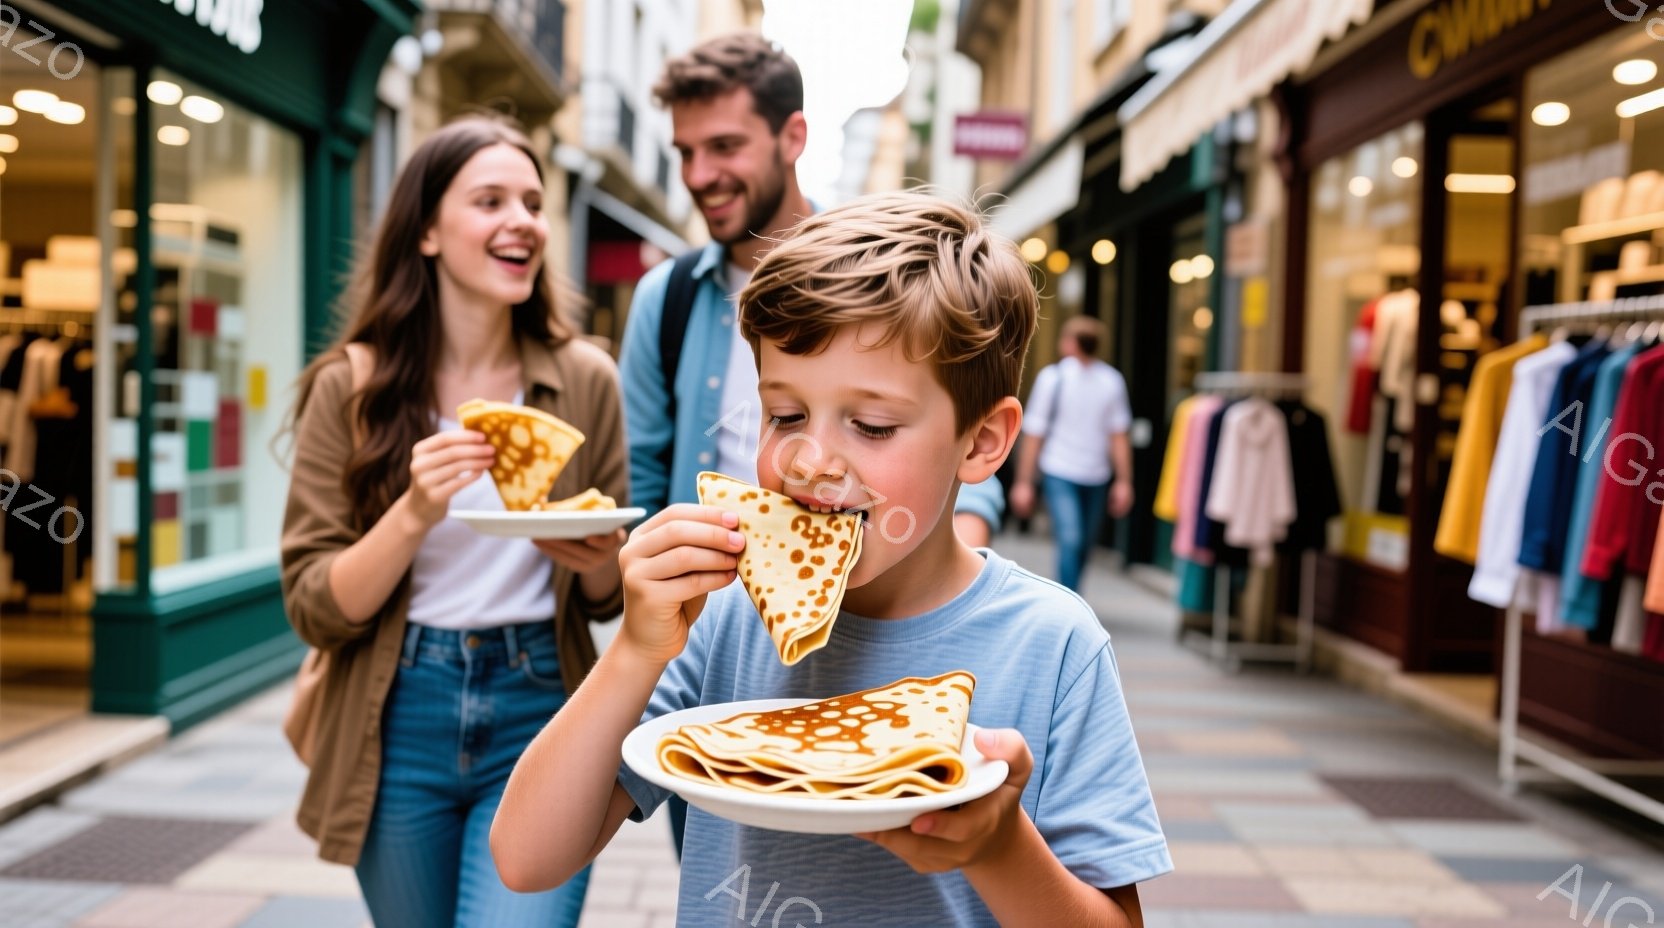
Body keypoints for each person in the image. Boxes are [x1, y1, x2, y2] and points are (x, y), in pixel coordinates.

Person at [492, 191, 1171, 927]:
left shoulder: (1053, 644)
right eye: (784, 415)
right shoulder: (724, 618)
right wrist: (632, 650)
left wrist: (998, 845)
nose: (811, 460)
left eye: (872, 426)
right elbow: (528, 859)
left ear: (981, 442)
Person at [617, 30, 1004, 847]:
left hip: (888, 581)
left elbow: (954, 441)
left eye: (723, 146)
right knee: (728, 829)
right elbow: (644, 474)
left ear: (792, 137)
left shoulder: (880, 270)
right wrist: (643, 595)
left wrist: (926, 593)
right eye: (781, 414)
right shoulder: (668, 299)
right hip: (724, 625)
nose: (698, 176)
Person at [279, 116, 627, 928]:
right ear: (428, 231)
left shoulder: (586, 379)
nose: (523, 222)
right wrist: (415, 510)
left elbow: (609, 597)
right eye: (491, 200)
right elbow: (315, 606)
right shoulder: (351, 386)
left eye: (534, 203)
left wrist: (591, 554)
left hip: (541, 699)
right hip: (396, 710)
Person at [1010, 315, 1133, 592]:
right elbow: (1035, 433)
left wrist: (1123, 481)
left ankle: (1071, 593)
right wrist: (1024, 482)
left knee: (1085, 543)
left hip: (1096, 475)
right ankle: (1069, 597)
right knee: (1071, 538)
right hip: (1059, 470)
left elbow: (1118, 435)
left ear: (1069, 343)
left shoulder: (1110, 382)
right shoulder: (1054, 379)